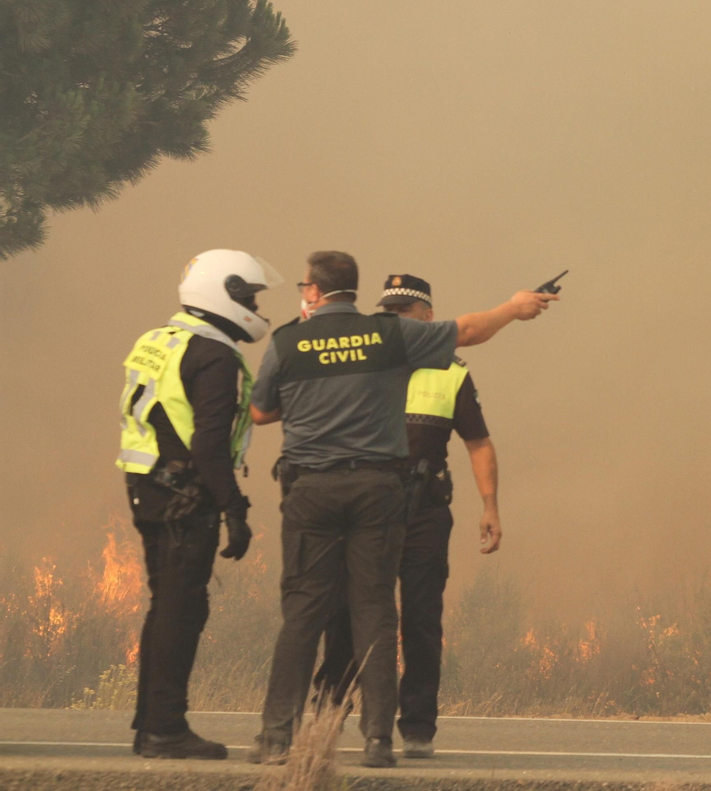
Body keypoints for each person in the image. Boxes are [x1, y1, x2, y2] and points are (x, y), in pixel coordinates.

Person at [248, 251, 555, 768]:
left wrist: (311, 394)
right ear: (355, 290)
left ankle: (278, 737)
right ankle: (377, 740)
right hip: (377, 491)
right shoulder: (385, 338)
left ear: (314, 291)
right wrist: (513, 306)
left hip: (317, 490)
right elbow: (469, 329)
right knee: (374, 610)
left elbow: (259, 412)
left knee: (306, 612)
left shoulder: (288, 341)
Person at [313, 273, 503, 758]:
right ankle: (329, 714)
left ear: (428, 317)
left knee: (420, 620)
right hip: (365, 508)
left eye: (404, 311)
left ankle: (417, 727)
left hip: (424, 510)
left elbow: (478, 443)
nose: (395, 318)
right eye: (389, 311)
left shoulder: (451, 371)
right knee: (346, 614)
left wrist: (489, 505)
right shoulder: (364, 361)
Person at [117, 249, 281, 759]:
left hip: (148, 486)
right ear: (223, 293)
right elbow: (208, 445)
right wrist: (235, 509)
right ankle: (165, 730)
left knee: (166, 605)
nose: (255, 307)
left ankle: (151, 724)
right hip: (185, 497)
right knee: (183, 609)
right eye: (249, 297)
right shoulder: (214, 356)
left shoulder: (159, 340)